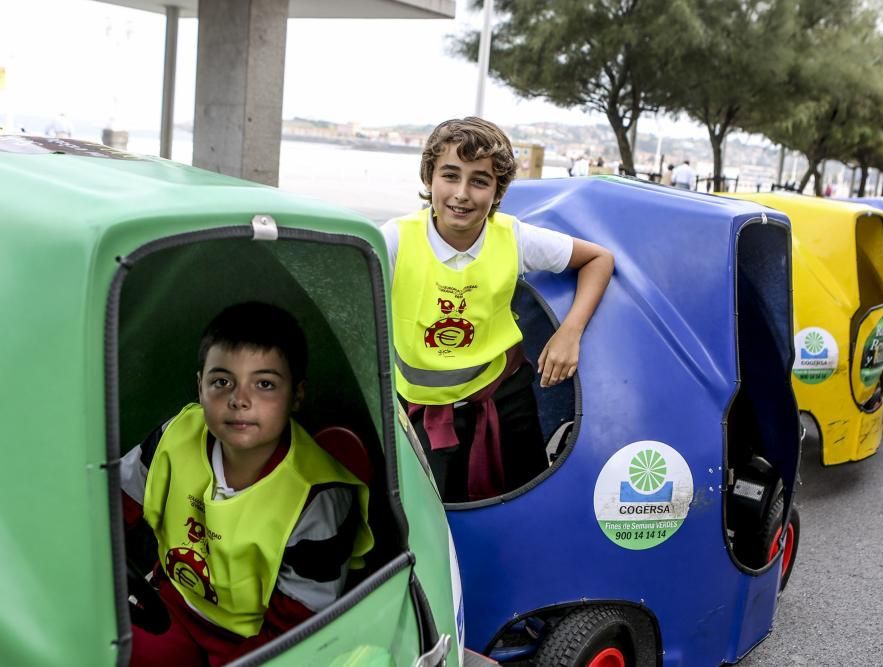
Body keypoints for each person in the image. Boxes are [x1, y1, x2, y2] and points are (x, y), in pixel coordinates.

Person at [121, 302, 373, 666]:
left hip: (257, 639)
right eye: (222, 382)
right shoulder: (173, 437)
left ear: (296, 395)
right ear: (199, 387)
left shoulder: (316, 499)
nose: (240, 400)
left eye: (265, 384)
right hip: (173, 606)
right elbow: (109, 508)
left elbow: (297, 628)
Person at [382, 116, 614, 502]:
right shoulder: (395, 239)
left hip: (504, 402)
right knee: (433, 519)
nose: (462, 193)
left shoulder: (513, 237)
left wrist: (569, 333)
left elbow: (599, 259)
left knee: (523, 504)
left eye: (479, 180)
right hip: (421, 411)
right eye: (450, 175)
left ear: (498, 190)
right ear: (429, 178)